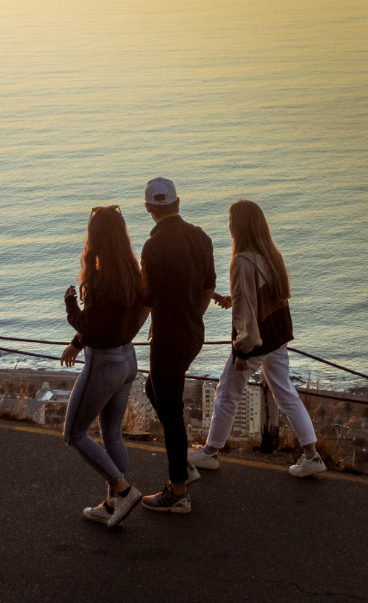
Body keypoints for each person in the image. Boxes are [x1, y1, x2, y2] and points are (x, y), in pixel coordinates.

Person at [188, 199, 326, 478]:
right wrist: (233, 298)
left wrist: (242, 351)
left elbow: (248, 311)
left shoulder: (242, 260)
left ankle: (210, 452)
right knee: (285, 392)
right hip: (277, 334)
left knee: (227, 391)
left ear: (239, 226)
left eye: (231, 221)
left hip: (258, 339)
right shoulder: (269, 254)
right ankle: (311, 455)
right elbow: (257, 297)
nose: (228, 227)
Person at [60, 205, 151, 527]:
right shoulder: (132, 272)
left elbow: (93, 325)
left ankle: (123, 491)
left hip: (104, 363)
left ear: (94, 236)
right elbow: (111, 322)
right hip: (128, 359)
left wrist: (71, 304)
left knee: (74, 433)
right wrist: (78, 341)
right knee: (112, 432)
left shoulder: (100, 278)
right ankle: (112, 505)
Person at [136, 177, 215, 514]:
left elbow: (147, 301)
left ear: (149, 209)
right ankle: (183, 466)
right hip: (192, 332)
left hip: (168, 337)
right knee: (154, 390)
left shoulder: (153, 247)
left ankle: (178, 491)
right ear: (178, 203)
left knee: (169, 410)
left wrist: (125, 335)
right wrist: (191, 317)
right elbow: (209, 288)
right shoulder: (200, 236)